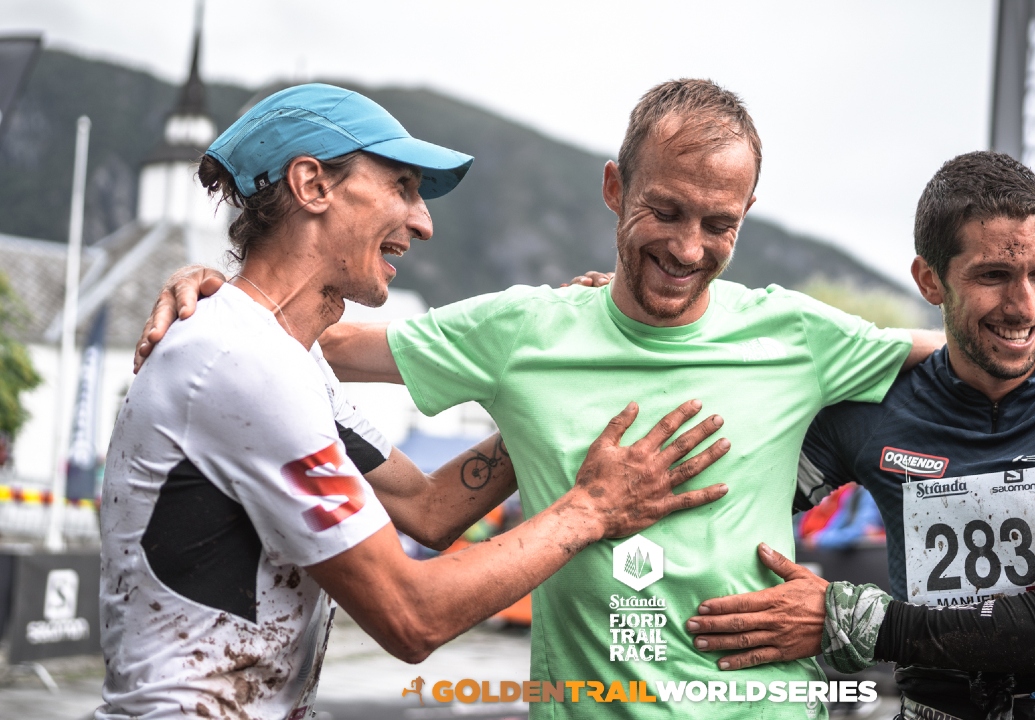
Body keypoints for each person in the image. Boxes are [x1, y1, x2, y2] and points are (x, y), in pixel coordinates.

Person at [139, 82, 1035, 719]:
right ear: (612, 190)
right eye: (663, 211)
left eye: (718, 223)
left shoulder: (795, 332)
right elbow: (320, 329)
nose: (688, 248)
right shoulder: (521, 330)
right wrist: (215, 292)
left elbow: (980, 331)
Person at [97, 84, 733, 720]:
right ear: (312, 184)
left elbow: (430, 509)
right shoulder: (241, 362)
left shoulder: (289, 356)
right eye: (401, 186)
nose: (424, 222)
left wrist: (559, 389)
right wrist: (592, 507)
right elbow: (410, 616)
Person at [686, 151, 1035, 719]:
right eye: (994, 275)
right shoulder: (873, 403)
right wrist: (631, 324)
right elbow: (720, 505)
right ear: (930, 280)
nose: (1025, 306)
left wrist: (850, 619)